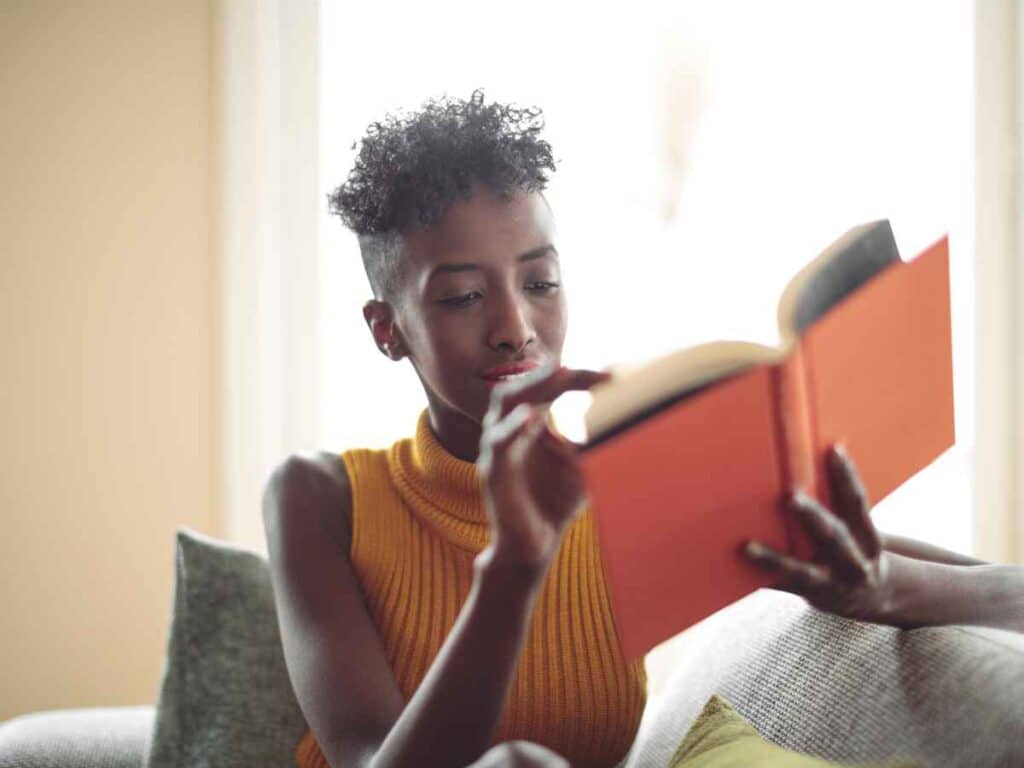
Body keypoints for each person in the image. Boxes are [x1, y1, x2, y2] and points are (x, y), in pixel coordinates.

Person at [261, 89, 1024, 768]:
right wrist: (516, 568)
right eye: (463, 297)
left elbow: (1007, 592)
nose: (515, 327)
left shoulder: (624, 492)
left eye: (540, 282)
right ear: (387, 329)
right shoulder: (320, 498)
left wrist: (886, 592)